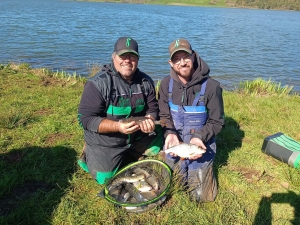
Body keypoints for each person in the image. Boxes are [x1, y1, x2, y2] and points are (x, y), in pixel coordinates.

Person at [77, 37, 162, 185]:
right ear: (114, 57)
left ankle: (132, 152)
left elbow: (153, 108)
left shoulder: (146, 82)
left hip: (136, 135)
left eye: (132, 56)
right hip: (107, 141)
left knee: (161, 141)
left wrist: (150, 118)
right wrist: (118, 127)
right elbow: (85, 119)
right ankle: (89, 153)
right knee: (106, 179)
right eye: (123, 56)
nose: (127, 60)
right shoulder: (98, 84)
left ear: (138, 59)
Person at [158, 38, 225, 202]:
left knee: (203, 197)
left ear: (193, 56)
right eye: (176, 59)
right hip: (176, 146)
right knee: (168, 187)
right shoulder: (166, 84)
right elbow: (164, 116)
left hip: (200, 144)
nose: (182, 62)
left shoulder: (211, 86)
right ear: (171, 63)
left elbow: (217, 121)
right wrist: (169, 133)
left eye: (185, 57)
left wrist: (199, 137)